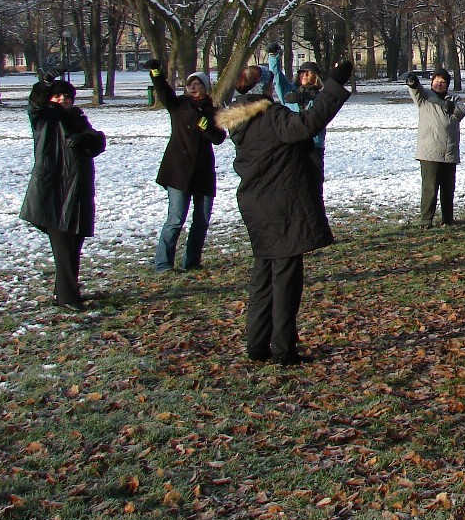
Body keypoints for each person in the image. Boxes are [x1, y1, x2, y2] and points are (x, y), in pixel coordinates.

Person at [218, 58, 352, 366]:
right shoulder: (271, 116)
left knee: (263, 276)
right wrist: (334, 84)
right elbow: (308, 123)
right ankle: (283, 348)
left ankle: (257, 344)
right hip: (281, 205)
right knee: (286, 279)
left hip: (255, 204)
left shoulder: (240, 121)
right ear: (265, 88)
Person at [18, 75, 107, 310]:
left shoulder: (78, 118)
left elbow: (97, 144)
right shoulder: (45, 117)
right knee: (64, 247)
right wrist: (45, 85)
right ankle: (68, 297)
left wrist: (88, 137)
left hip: (78, 190)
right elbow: (35, 104)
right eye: (57, 96)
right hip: (54, 192)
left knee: (74, 244)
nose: (62, 99)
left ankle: (64, 291)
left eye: (67, 96)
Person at [147, 60, 226, 272]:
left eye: (197, 84)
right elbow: (163, 91)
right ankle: (163, 264)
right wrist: (156, 72)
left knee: (201, 221)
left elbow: (218, 138)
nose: (193, 87)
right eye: (190, 83)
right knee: (175, 218)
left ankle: (192, 262)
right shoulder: (179, 105)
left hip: (203, 172)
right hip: (178, 171)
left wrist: (204, 125)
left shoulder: (213, 112)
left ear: (206, 88)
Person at [406, 67, 465, 227]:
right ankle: (426, 221)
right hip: (430, 152)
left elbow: (461, 111)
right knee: (430, 189)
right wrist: (413, 82)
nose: (439, 84)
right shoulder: (424, 97)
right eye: (436, 81)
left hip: (449, 151)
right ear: (431, 82)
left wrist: (443, 103)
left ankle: (448, 219)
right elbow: (416, 90)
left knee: (448, 189)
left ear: (447, 84)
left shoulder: (454, 98)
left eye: (443, 81)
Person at [264, 45, 327, 175]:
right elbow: (276, 75)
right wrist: (274, 56)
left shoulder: (321, 97)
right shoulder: (289, 90)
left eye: (308, 72)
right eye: (302, 72)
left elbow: (320, 114)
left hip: (314, 146)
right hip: (292, 143)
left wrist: (304, 99)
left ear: (316, 77)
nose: (304, 75)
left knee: (313, 180)